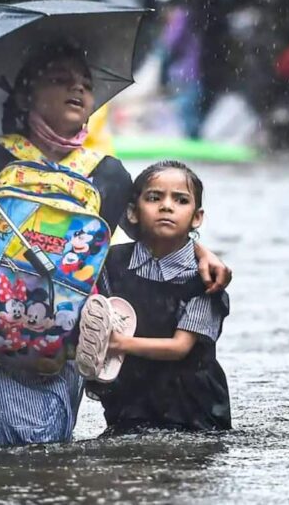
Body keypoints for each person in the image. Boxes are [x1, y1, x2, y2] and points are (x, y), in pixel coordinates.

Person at [0, 43, 231, 448]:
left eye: (85, 84)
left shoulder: (107, 177)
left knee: (45, 462)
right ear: (26, 95)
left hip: (58, 359)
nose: (77, 89)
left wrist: (202, 251)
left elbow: (156, 236)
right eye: (60, 80)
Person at [86, 160, 231, 433]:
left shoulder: (205, 280)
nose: (167, 206)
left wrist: (118, 344)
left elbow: (180, 348)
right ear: (132, 212)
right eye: (154, 197)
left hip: (194, 410)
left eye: (180, 200)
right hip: (130, 402)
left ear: (196, 217)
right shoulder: (111, 263)